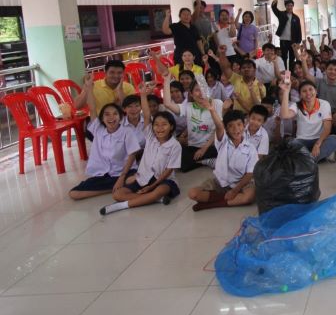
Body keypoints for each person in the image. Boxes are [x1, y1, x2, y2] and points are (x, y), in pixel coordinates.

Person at [99, 84, 182, 215]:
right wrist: (143, 95)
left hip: (162, 180)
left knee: (160, 190)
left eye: (164, 125)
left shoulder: (175, 145)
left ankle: (121, 206)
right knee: (117, 194)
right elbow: (147, 115)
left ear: (171, 127)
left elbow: (168, 171)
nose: (160, 128)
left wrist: (152, 186)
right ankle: (155, 200)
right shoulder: (150, 136)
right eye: (157, 125)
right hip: (143, 177)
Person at [69, 75, 142, 200]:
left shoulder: (126, 131)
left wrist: (121, 178)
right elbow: (92, 108)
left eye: (115, 114)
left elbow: (132, 156)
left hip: (124, 172)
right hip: (104, 174)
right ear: (102, 118)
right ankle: (110, 188)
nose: (111, 117)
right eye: (107, 114)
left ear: (120, 117)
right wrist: (88, 87)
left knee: (132, 179)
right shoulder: (98, 129)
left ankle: (119, 184)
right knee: (74, 193)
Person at [188, 106, 258, 211]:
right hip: (221, 182)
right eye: (231, 126)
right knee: (193, 194)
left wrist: (234, 191)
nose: (236, 129)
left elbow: (249, 174)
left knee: (249, 197)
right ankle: (227, 200)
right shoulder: (223, 141)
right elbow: (219, 126)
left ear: (244, 125)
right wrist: (212, 110)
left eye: (239, 124)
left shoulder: (251, 148)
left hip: (242, 184)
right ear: (226, 129)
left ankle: (210, 204)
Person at [162, 72, 223, 172]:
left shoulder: (217, 103)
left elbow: (219, 128)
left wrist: (204, 149)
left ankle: (206, 159)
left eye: (203, 89)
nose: (201, 93)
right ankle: (205, 161)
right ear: (191, 93)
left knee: (221, 150)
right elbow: (168, 104)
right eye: (197, 90)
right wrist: (166, 80)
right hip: (193, 145)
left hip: (211, 145)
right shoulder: (188, 107)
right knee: (182, 163)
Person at [279, 79, 336, 162]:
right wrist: (286, 92)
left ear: (316, 91)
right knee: (289, 144)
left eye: (310, 89)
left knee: (335, 139)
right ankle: (314, 159)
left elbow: (327, 129)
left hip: (319, 139)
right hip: (301, 141)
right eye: (304, 91)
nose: (308, 93)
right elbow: (284, 115)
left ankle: (305, 160)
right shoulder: (296, 105)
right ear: (300, 95)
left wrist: (317, 144)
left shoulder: (324, 104)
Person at [218, 48, 265, 113]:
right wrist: (222, 54)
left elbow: (258, 105)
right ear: (240, 71)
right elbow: (225, 68)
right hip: (236, 116)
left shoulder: (260, 85)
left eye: (249, 67)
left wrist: (251, 91)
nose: (246, 69)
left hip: (251, 117)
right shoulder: (236, 78)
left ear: (254, 70)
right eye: (244, 67)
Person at [272, 0, 303, 67]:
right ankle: (285, 75)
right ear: (285, 6)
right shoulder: (281, 14)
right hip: (283, 40)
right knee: (284, 58)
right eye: (288, 5)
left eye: (291, 5)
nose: (290, 7)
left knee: (292, 58)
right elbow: (274, 7)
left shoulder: (296, 17)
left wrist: (298, 42)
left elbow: (299, 30)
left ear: (293, 6)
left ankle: (292, 74)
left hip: (293, 41)